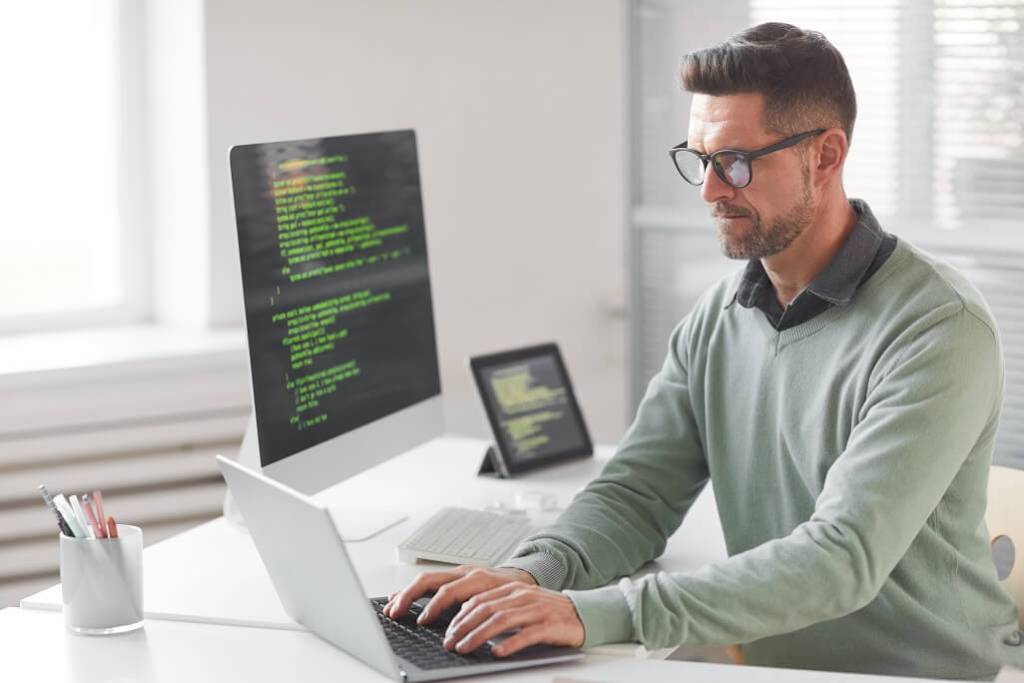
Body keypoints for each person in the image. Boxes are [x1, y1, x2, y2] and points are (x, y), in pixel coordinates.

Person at [385, 22, 1023, 678]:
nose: (709, 191)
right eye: (700, 158)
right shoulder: (719, 316)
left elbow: (841, 559)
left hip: (920, 673)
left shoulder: (938, 329)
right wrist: (525, 575)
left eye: (736, 162)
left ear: (826, 155)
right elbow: (635, 495)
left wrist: (590, 612)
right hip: (776, 663)